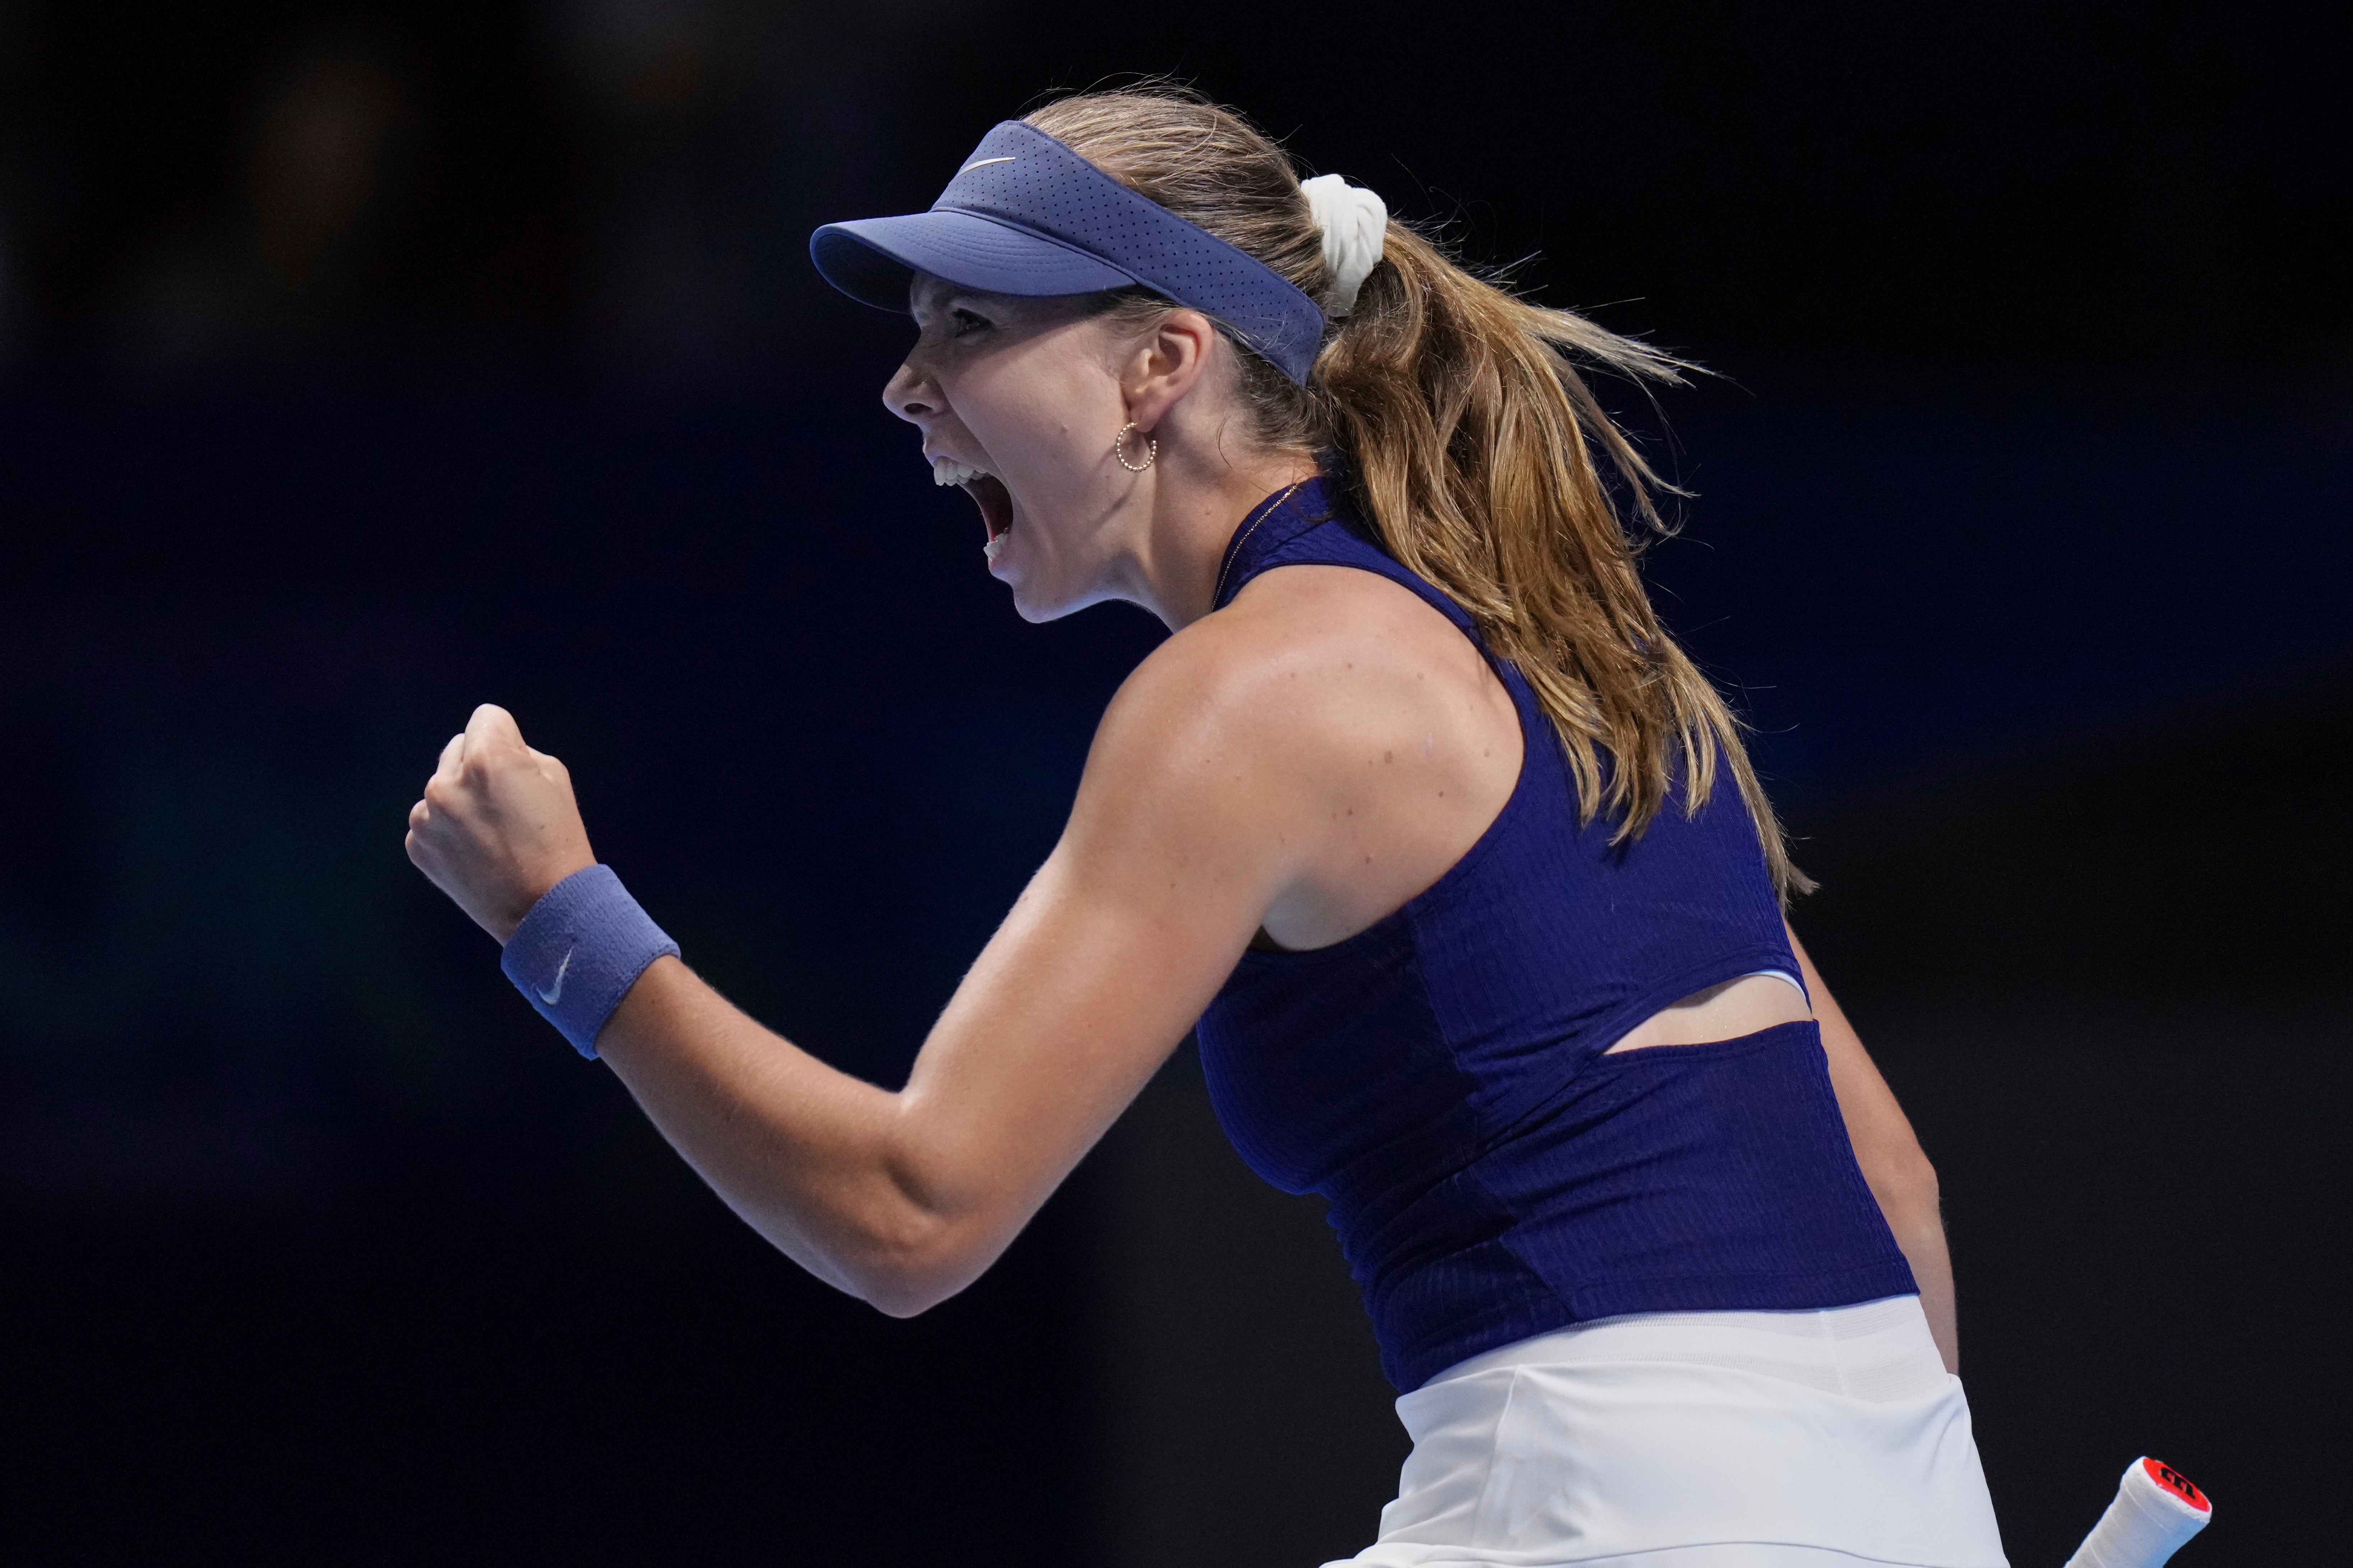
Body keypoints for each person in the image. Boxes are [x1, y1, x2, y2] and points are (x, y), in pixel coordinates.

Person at [405, 88, 2006, 1567]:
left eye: (969, 324)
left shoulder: (1246, 690)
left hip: (1597, 1510)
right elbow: (1895, 1184)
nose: (906, 384)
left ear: (1160, 363)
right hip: (1915, 1495)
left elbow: (914, 1214)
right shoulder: (1595, 665)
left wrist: (558, 916)